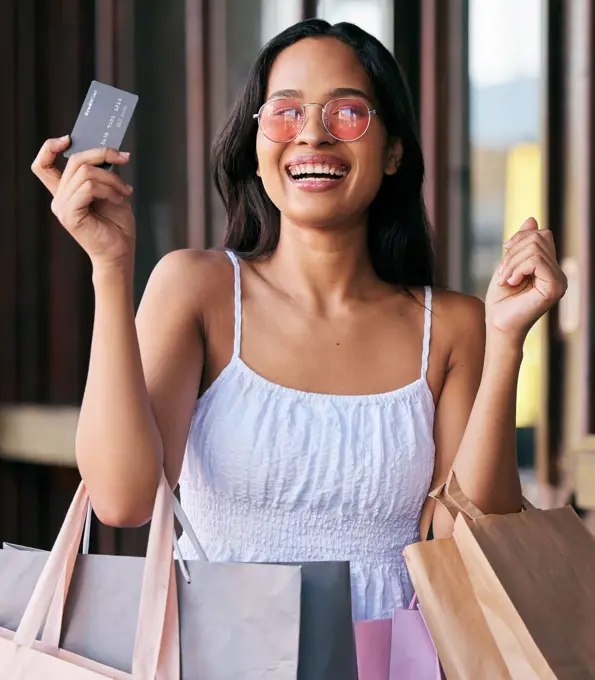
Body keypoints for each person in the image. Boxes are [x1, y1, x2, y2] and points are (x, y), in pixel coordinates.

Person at [32, 19, 566, 621]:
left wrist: (505, 343)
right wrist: (110, 267)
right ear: (257, 149)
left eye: (348, 114)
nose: (312, 134)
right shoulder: (197, 289)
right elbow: (122, 499)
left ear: (392, 151)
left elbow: (465, 544)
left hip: (390, 660)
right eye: (285, 113)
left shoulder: (453, 326)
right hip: (222, 657)